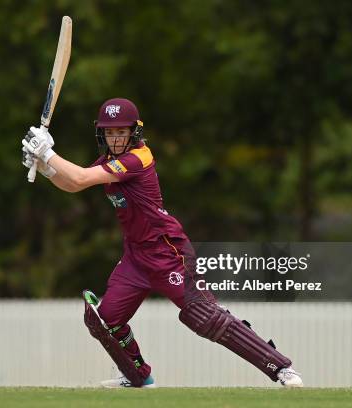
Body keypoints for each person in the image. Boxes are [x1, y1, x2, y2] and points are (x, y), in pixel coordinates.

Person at [22, 98, 303, 388]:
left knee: (205, 317)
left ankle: (281, 369)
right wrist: (44, 166)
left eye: (121, 132)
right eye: (109, 132)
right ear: (101, 134)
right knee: (104, 320)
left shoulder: (138, 158)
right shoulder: (108, 161)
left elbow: (79, 176)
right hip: (135, 257)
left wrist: (48, 152)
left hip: (168, 252)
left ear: (134, 132)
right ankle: (137, 377)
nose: (115, 138)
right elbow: (73, 184)